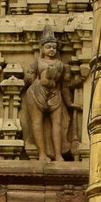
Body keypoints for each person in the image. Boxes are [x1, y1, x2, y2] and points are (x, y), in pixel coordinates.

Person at [21, 26, 77, 161]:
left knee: (58, 123)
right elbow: (29, 79)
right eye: (48, 47)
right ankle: (42, 154)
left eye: (53, 47)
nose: (51, 50)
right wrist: (30, 78)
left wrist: (69, 103)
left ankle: (58, 154)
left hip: (54, 93)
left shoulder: (61, 65)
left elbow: (64, 86)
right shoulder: (37, 62)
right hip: (37, 92)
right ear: (42, 49)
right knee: (37, 122)